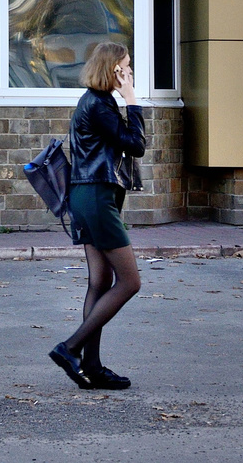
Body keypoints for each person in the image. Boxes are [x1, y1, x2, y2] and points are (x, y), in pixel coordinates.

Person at [48, 42, 145, 391]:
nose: (130, 73)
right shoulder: (100, 105)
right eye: (126, 67)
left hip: (88, 196)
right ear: (112, 69)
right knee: (130, 282)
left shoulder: (95, 101)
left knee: (100, 282)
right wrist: (132, 97)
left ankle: (91, 367)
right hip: (96, 198)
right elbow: (136, 144)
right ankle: (70, 348)